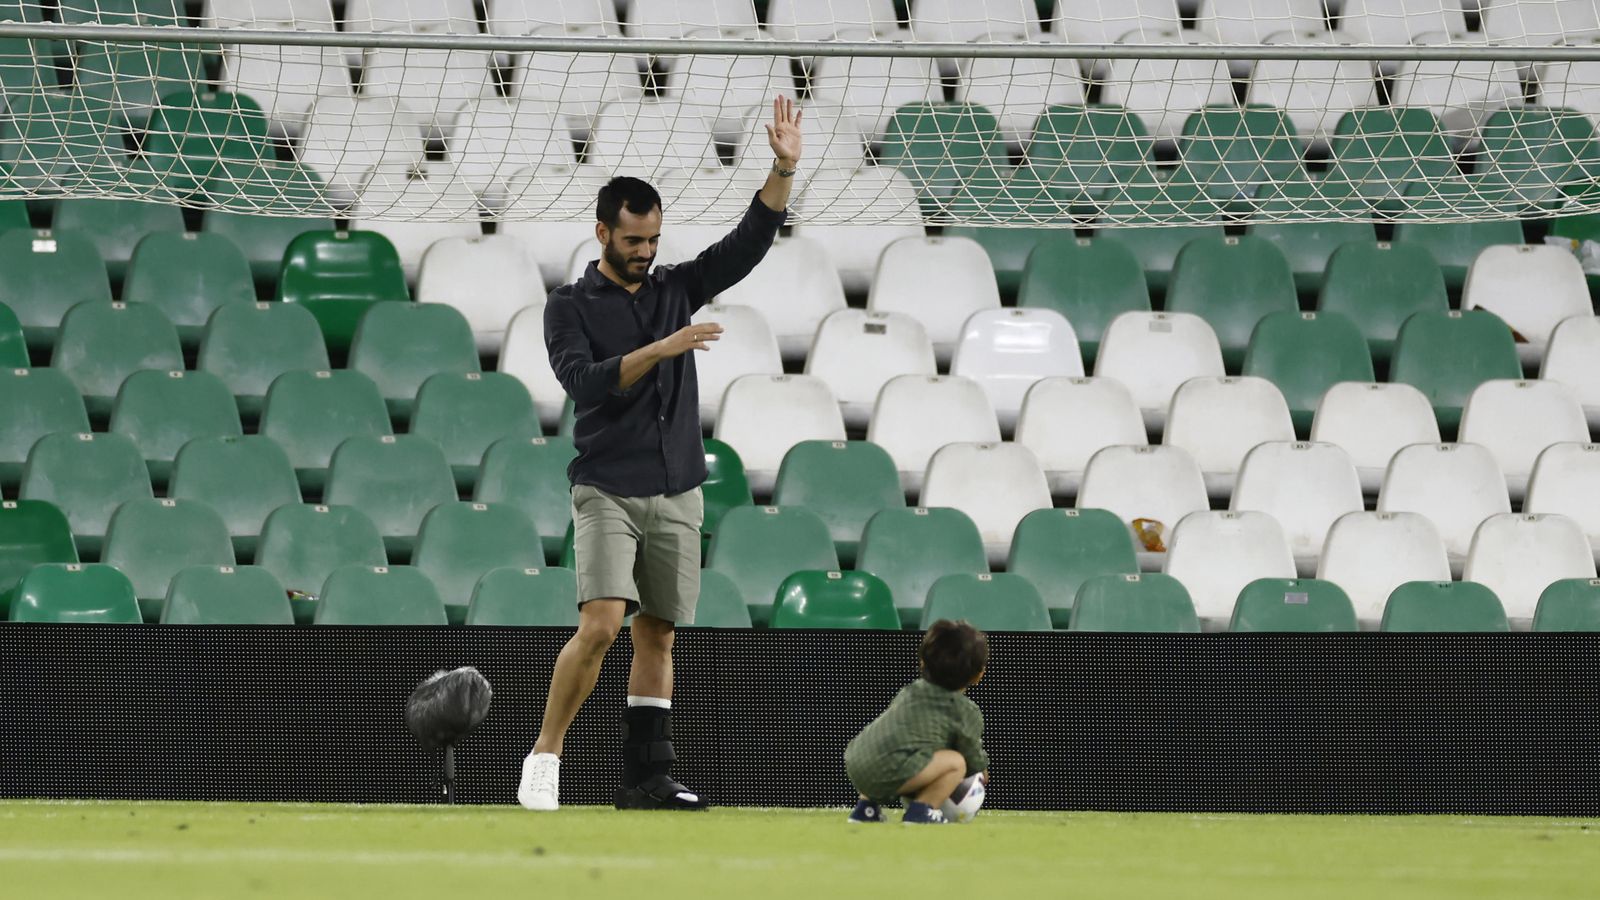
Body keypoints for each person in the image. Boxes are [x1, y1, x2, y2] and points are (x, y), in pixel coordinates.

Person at [516, 96, 804, 812]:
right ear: (602, 233)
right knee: (603, 623)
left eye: (652, 240)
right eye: (633, 240)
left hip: (678, 486)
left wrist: (782, 169)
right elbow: (584, 386)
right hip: (608, 486)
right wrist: (662, 347)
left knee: (659, 633)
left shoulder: (676, 285)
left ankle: (645, 777)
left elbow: (746, 243)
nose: (646, 251)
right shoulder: (569, 307)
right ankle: (545, 756)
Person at [843, 620, 990, 824]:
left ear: (922, 661)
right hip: (890, 771)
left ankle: (866, 810)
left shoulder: (910, 692)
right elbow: (970, 752)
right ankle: (922, 811)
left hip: (857, 761)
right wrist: (981, 770)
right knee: (957, 763)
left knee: (891, 747)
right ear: (978, 675)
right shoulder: (965, 711)